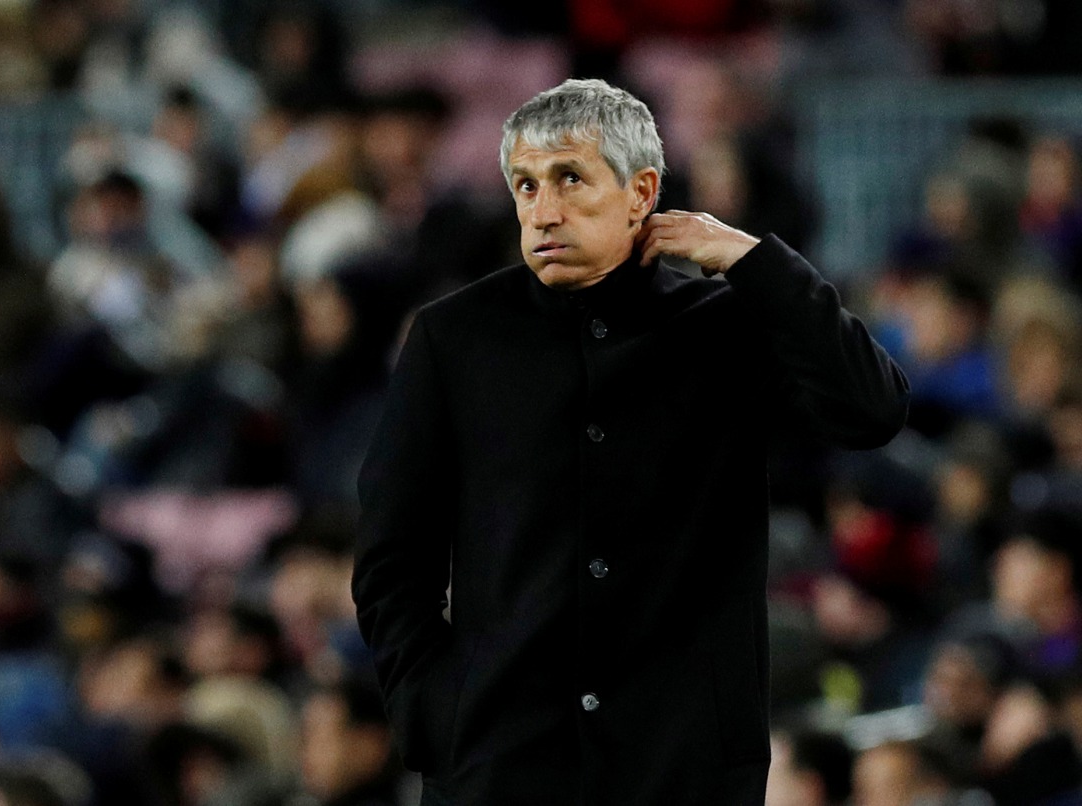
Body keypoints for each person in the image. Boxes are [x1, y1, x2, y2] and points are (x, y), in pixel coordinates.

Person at [352, 78, 909, 805]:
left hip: (684, 762)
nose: (542, 211)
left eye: (569, 179)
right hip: (500, 762)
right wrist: (433, 709)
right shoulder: (454, 338)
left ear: (642, 190)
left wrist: (755, 261)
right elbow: (393, 551)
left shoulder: (727, 324)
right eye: (524, 185)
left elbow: (872, 411)